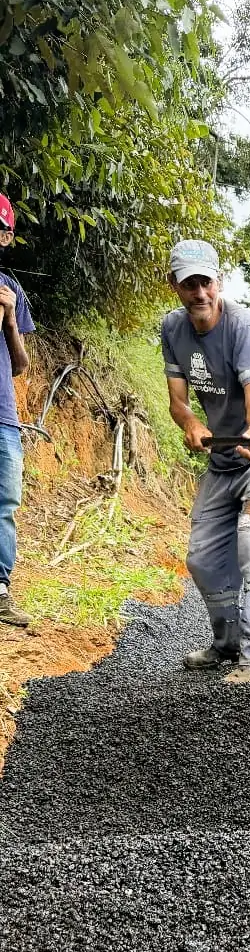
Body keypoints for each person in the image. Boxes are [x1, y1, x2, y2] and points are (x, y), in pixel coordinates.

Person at [161, 239, 250, 684]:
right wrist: (191, 423)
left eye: (206, 282)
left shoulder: (246, 327)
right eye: (190, 285)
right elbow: (178, 400)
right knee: (202, 558)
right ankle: (229, 643)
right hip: (223, 459)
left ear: (219, 281)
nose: (199, 293)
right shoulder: (173, 328)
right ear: (175, 286)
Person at [0, 193, 35, 628]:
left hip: (4, 416)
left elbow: (21, 365)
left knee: (4, 502)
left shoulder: (10, 290)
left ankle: (0, 590)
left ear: (6, 237)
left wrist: (10, 318)